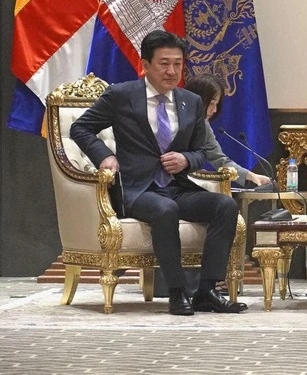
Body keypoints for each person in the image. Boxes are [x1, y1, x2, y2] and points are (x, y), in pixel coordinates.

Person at [70, 30, 247, 316]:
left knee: (224, 205)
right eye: (164, 63)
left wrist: (185, 159)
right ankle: (177, 292)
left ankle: (207, 291)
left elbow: (202, 152)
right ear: (145, 65)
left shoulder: (191, 101)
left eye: (177, 64)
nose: (172, 71)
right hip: (138, 189)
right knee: (165, 209)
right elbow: (80, 128)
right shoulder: (122, 95)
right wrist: (106, 156)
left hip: (176, 186)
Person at [184, 74, 272, 188]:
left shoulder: (204, 126)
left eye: (216, 104)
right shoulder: (173, 118)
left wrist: (251, 176)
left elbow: (220, 160)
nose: (215, 110)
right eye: (211, 103)